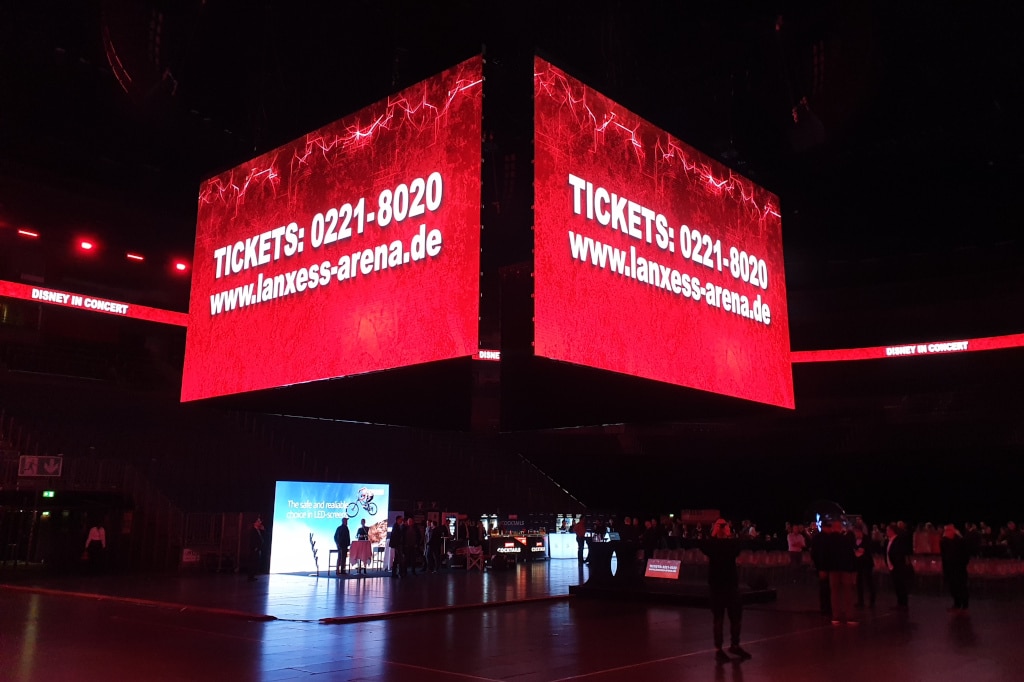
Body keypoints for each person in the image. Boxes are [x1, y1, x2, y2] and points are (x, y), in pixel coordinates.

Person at [700, 519, 751, 663]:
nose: (722, 527)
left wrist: (728, 534)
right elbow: (704, 546)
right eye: (720, 525)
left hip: (731, 585)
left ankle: (735, 645)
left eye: (724, 525)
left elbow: (738, 547)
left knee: (736, 617)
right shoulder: (713, 544)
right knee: (719, 619)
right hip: (717, 586)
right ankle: (718, 650)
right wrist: (714, 533)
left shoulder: (730, 544)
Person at [940, 523, 970, 612]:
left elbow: (944, 556)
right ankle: (963, 605)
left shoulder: (944, 540)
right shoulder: (960, 539)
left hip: (951, 567)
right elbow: (966, 555)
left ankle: (958, 604)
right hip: (959, 567)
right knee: (961, 586)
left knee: (954, 586)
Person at [886, 523, 911, 609]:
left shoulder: (898, 540)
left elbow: (899, 554)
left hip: (898, 567)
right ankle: (900, 602)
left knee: (901, 585)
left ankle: (903, 603)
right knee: (897, 585)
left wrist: (896, 564)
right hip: (893, 566)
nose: (886, 532)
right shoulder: (889, 540)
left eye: (888, 530)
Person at [853, 526, 876, 608]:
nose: (856, 534)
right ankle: (860, 601)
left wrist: (863, 550)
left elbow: (869, 550)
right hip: (858, 563)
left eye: (857, 532)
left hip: (867, 563)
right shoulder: (854, 540)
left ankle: (872, 601)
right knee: (859, 582)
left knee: (869, 581)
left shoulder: (866, 539)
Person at [247, 516, 265, 581]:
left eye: (260, 521)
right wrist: (255, 547)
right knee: (252, 562)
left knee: (256, 563)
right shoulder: (252, 530)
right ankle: (250, 576)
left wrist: (263, 531)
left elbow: (262, 539)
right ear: (254, 523)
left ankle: (252, 575)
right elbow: (252, 540)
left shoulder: (259, 530)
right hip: (254, 549)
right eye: (258, 521)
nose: (260, 522)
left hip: (258, 549)